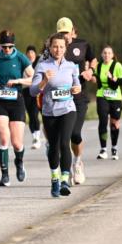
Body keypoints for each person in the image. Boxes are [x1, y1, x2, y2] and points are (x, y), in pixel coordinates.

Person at [30, 33, 81, 198]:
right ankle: (55, 179)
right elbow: (33, 91)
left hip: (68, 109)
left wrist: (76, 89)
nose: (58, 50)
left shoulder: (72, 66)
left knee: (65, 143)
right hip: (50, 111)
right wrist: (44, 80)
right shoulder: (42, 66)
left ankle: (65, 180)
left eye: (61, 47)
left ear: (65, 48)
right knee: (54, 146)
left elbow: (77, 85)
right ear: (50, 48)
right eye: (55, 46)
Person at [0, 30, 33, 186]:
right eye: (4, 47)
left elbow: (33, 79)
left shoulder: (21, 58)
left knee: (17, 143)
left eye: (10, 47)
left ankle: (19, 162)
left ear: (14, 45)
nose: (7, 50)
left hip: (16, 101)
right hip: (0, 101)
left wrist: (18, 81)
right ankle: (4, 175)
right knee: (4, 138)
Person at [56, 17, 96, 185]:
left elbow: (93, 59)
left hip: (79, 97)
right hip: (60, 98)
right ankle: (65, 170)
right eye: (61, 33)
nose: (64, 36)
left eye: (67, 32)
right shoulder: (53, 47)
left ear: (73, 31)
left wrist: (91, 70)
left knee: (75, 134)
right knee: (62, 137)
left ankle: (77, 162)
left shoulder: (83, 44)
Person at [95, 45, 122, 160]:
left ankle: (114, 147)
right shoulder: (99, 66)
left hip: (115, 97)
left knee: (114, 123)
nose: (106, 55)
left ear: (112, 55)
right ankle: (103, 149)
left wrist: (114, 78)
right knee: (103, 121)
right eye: (104, 53)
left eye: (109, 53)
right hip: (102, 95)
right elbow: (95, 78)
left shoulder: (117, 65)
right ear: (101, 55)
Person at [22, 44, 42, 149]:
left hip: (38, 91)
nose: (30, 54)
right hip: (26, 91)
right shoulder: (24, 63)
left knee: (37, 114)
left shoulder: (40, 62)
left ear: (35, 53)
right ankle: (35, 137)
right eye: (28, 52)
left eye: (32, 52)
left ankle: (40, 137)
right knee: (31, 115)